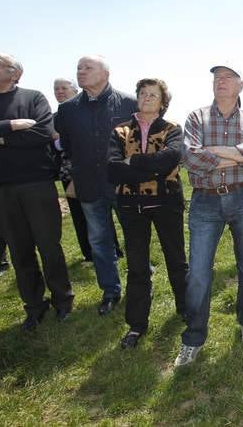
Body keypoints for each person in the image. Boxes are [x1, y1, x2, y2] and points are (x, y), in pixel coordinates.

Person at [0, 52, 73, 330]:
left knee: (49, 245)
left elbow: (41, 134)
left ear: (15, 73)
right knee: (20, 251)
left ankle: (63, 300)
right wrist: (12, 126)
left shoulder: (33, 98)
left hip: (36, 184)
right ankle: (34, 306)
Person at [175, 64, 243, 367]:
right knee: (199, 272)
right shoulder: (196, 117)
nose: (220, 82)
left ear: (241, 85)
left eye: (227, 78)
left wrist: (213, 153)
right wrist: (238, 156)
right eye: (216, 78)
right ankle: (194, 338)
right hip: (205, 202)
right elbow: (190, 158)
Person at [107, 78, 188, 348]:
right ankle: (136, 325)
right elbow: (112, 168)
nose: (147, 98)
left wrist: (135, 162)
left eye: (153, 94)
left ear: (163, 102)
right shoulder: (120, 130)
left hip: (167, 204)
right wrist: (151, 168)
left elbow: (171, 158)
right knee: (137, 267)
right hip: (131, 207)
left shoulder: (172, 128)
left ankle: (186, 309)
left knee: (176, 259)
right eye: (143, 93)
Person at [55, 55, 137, 315]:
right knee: (99, 241)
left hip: (123, 185)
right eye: (78, 67)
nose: (81, 72)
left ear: (106, 73)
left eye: (88, 68)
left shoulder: (129, 104)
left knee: (134, 235)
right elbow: (66, 145)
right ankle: (110, 291)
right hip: (89, 185)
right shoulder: (67, 110)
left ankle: (140, 283)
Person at [53, 78, 93, 262]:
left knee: (100, 212)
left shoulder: (86, 111)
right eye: (56, 88)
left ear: (75, 91)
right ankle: (88, 253)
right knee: (78, 213)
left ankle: (113, 251)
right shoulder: (53, 118)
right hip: (68, 173)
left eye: (64, 88)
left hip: (92, 170)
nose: (59, 91)